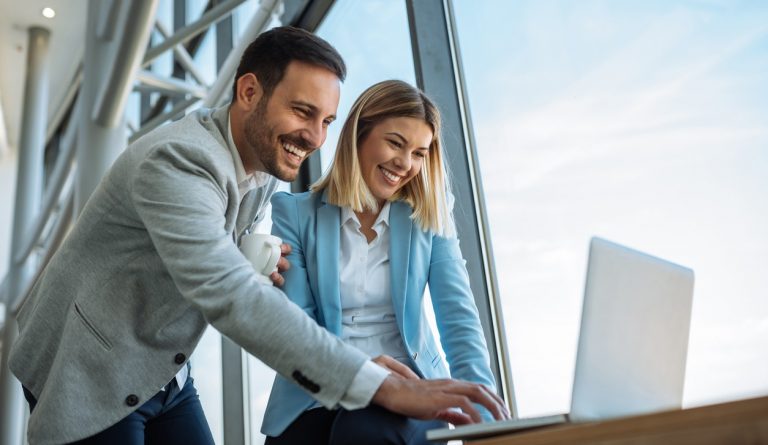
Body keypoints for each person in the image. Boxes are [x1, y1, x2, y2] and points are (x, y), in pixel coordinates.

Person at [8, 27, 506, 445]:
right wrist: (378, 384)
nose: (314, 137)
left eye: (326, 120)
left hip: (165, 371)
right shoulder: (180, 161)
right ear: (249, 92)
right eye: (302, 112)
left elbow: (217, 258)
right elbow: (228, 293)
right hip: (91, 362)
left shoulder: (267, 167)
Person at [261, 80, 500, 445]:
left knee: (364, 434)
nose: (405, 164)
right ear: (359, 134)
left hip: (408, 386)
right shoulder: (294, 213)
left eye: (419, 153)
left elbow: (459, 320)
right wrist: (357, 374)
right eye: (395, 143)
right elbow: (300, 323)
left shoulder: (429, 216)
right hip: (316, 388)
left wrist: (485, 424)